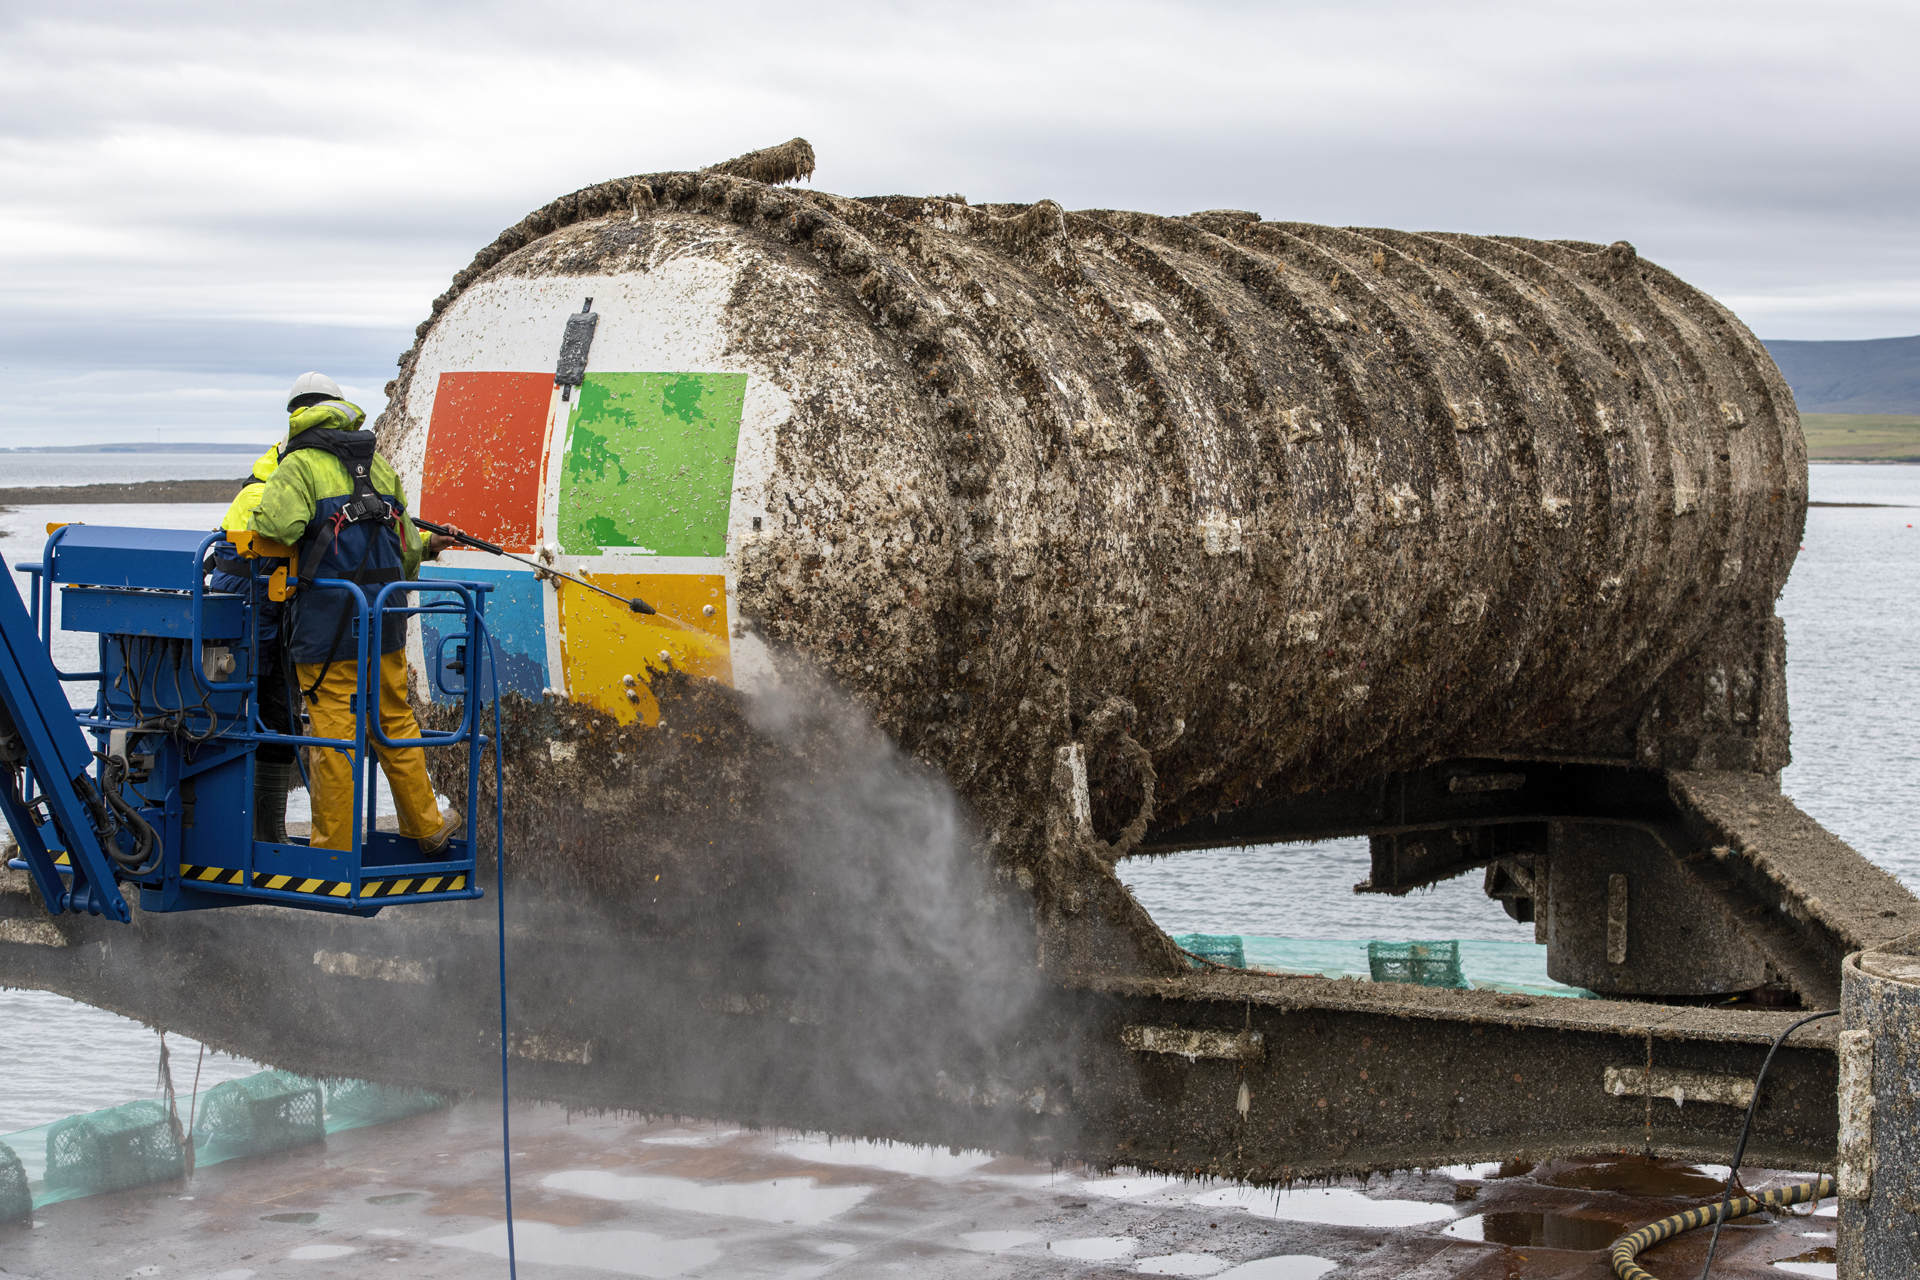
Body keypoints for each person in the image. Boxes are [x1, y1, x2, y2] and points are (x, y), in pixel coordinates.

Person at [248, 372, 463, 855]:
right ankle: (426, 826)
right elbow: (406, 551)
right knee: (394, 720)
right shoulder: (379, 467)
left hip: (327, 627)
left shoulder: (299, 464)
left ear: (296, 415)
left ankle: (333, 848)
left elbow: (278, 529)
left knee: (334, 737)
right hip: (385, 621)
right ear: (342, 409)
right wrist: (430, 545)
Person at [206, 444, 298, 841]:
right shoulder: (271, 498)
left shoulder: (257, 489)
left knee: (249, 718)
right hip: (253, 618)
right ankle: (262, 833)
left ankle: (254, 830)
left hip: (240, 617)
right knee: (272, 720)